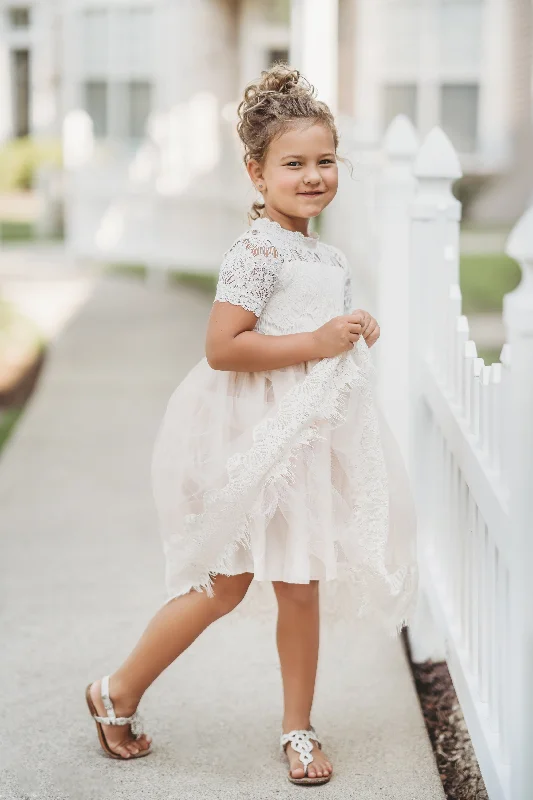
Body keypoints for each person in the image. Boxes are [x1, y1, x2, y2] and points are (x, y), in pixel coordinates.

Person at [85, 64, 418, 786]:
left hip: (302, 440)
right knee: (222, 583)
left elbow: (319, 332)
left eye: (324, 161)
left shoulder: (324, 254)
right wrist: (316, 342)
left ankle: (298, 728)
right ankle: (116, 689)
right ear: (255, 172)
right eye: (293, 164)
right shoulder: (257, 249)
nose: (312, 176)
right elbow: (223, 347)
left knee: (300, 584)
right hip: (247, 441)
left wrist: (353, 328)